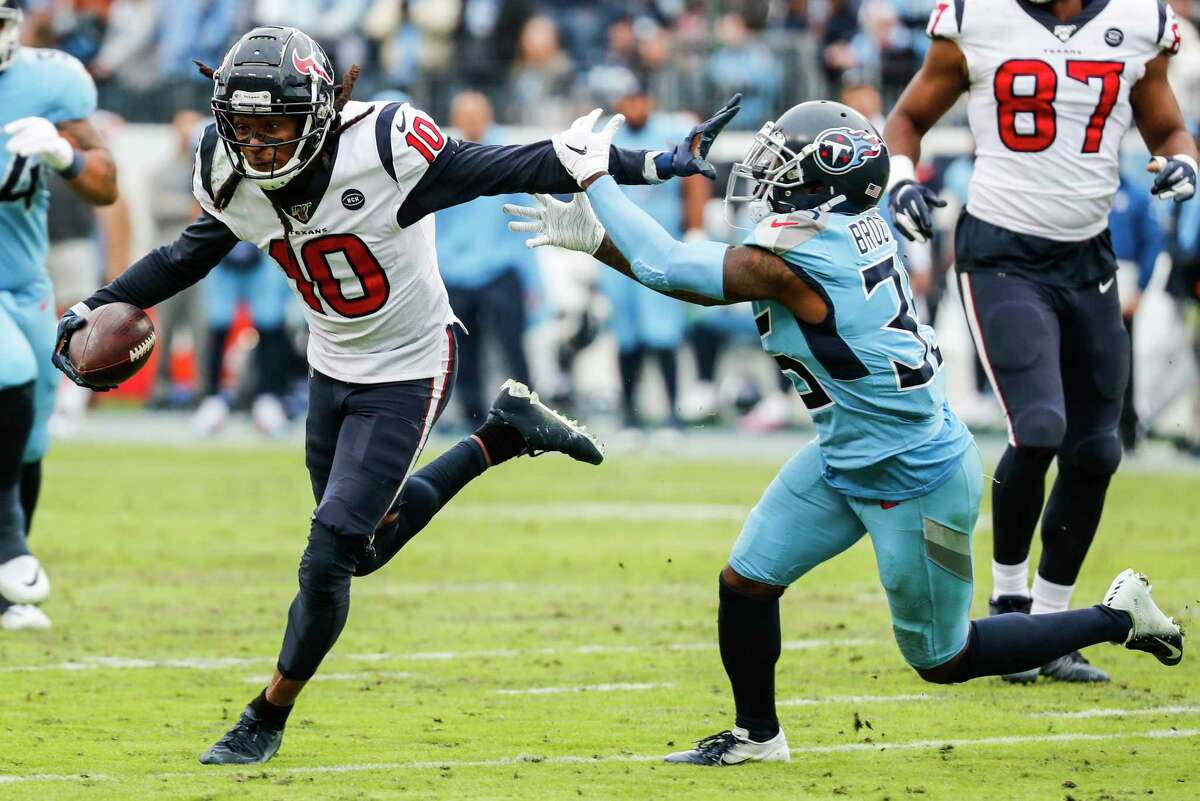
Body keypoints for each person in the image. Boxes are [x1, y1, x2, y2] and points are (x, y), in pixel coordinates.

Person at [50, 26, 737, 764]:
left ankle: (265, 716)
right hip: (332, 364)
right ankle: (505, 433)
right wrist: (98, 304)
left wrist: (657, 162)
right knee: (365, 548)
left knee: (328, 557)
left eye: (275, 124)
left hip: (409, 365)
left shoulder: (385, 147)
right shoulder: (233, 174)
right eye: (245, 127)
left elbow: (512, 164)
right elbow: (186, 255)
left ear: (315, 113)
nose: (261, 144)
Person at [505, 100, 1186, 766]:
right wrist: (598, 241)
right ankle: (757, 736)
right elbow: (693, 277)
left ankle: (1118, 616)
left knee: (944, 659)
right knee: (746, 582)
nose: (771, 176)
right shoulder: (849, 225)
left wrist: (595, 180)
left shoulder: (802, 256)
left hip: (915, 474)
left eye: (787, 165)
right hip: (844, 452)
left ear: (826, 179)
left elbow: (673, 265)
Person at [882, 0, 1197, 682]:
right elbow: (906, 119)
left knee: (1097, 447)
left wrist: (1184, 162)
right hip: (1001, 252)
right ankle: (1010, 599)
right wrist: (903, 178)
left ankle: (1053, 628)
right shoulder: (977, 15)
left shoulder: (1141, 20)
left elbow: (1167, 125)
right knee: (1041, 426)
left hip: (1089, 258)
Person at [0, 0, 118, 632]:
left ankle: (4, 592)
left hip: (22, 285)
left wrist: (65, 157)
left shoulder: (50, 81)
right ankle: (10, 543)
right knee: (10, 368)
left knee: (33, 431)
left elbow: (107, 184)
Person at [601, 77, 710, 432]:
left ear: (649, 99)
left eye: (639, 98)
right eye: (627, 99)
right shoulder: (607, 135)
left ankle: (672, 414)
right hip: (617, 251)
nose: (634, 106)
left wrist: (695, 227)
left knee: (663, 333)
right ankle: (630, 414)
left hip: (662, 247)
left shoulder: (671, 129)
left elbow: (694, 180)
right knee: (626, 334)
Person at [434, 91, 536, 425]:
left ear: (488, 115)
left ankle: (529, 415)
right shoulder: (445, 160)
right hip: (456, 273)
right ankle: (475, 419)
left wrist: (532, 277)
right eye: (465, 114)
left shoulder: (509, 155)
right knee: (464, 354)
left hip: (501, 270)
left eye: (477, 114)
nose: (472, 121)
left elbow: (529, 218)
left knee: (513, 348)